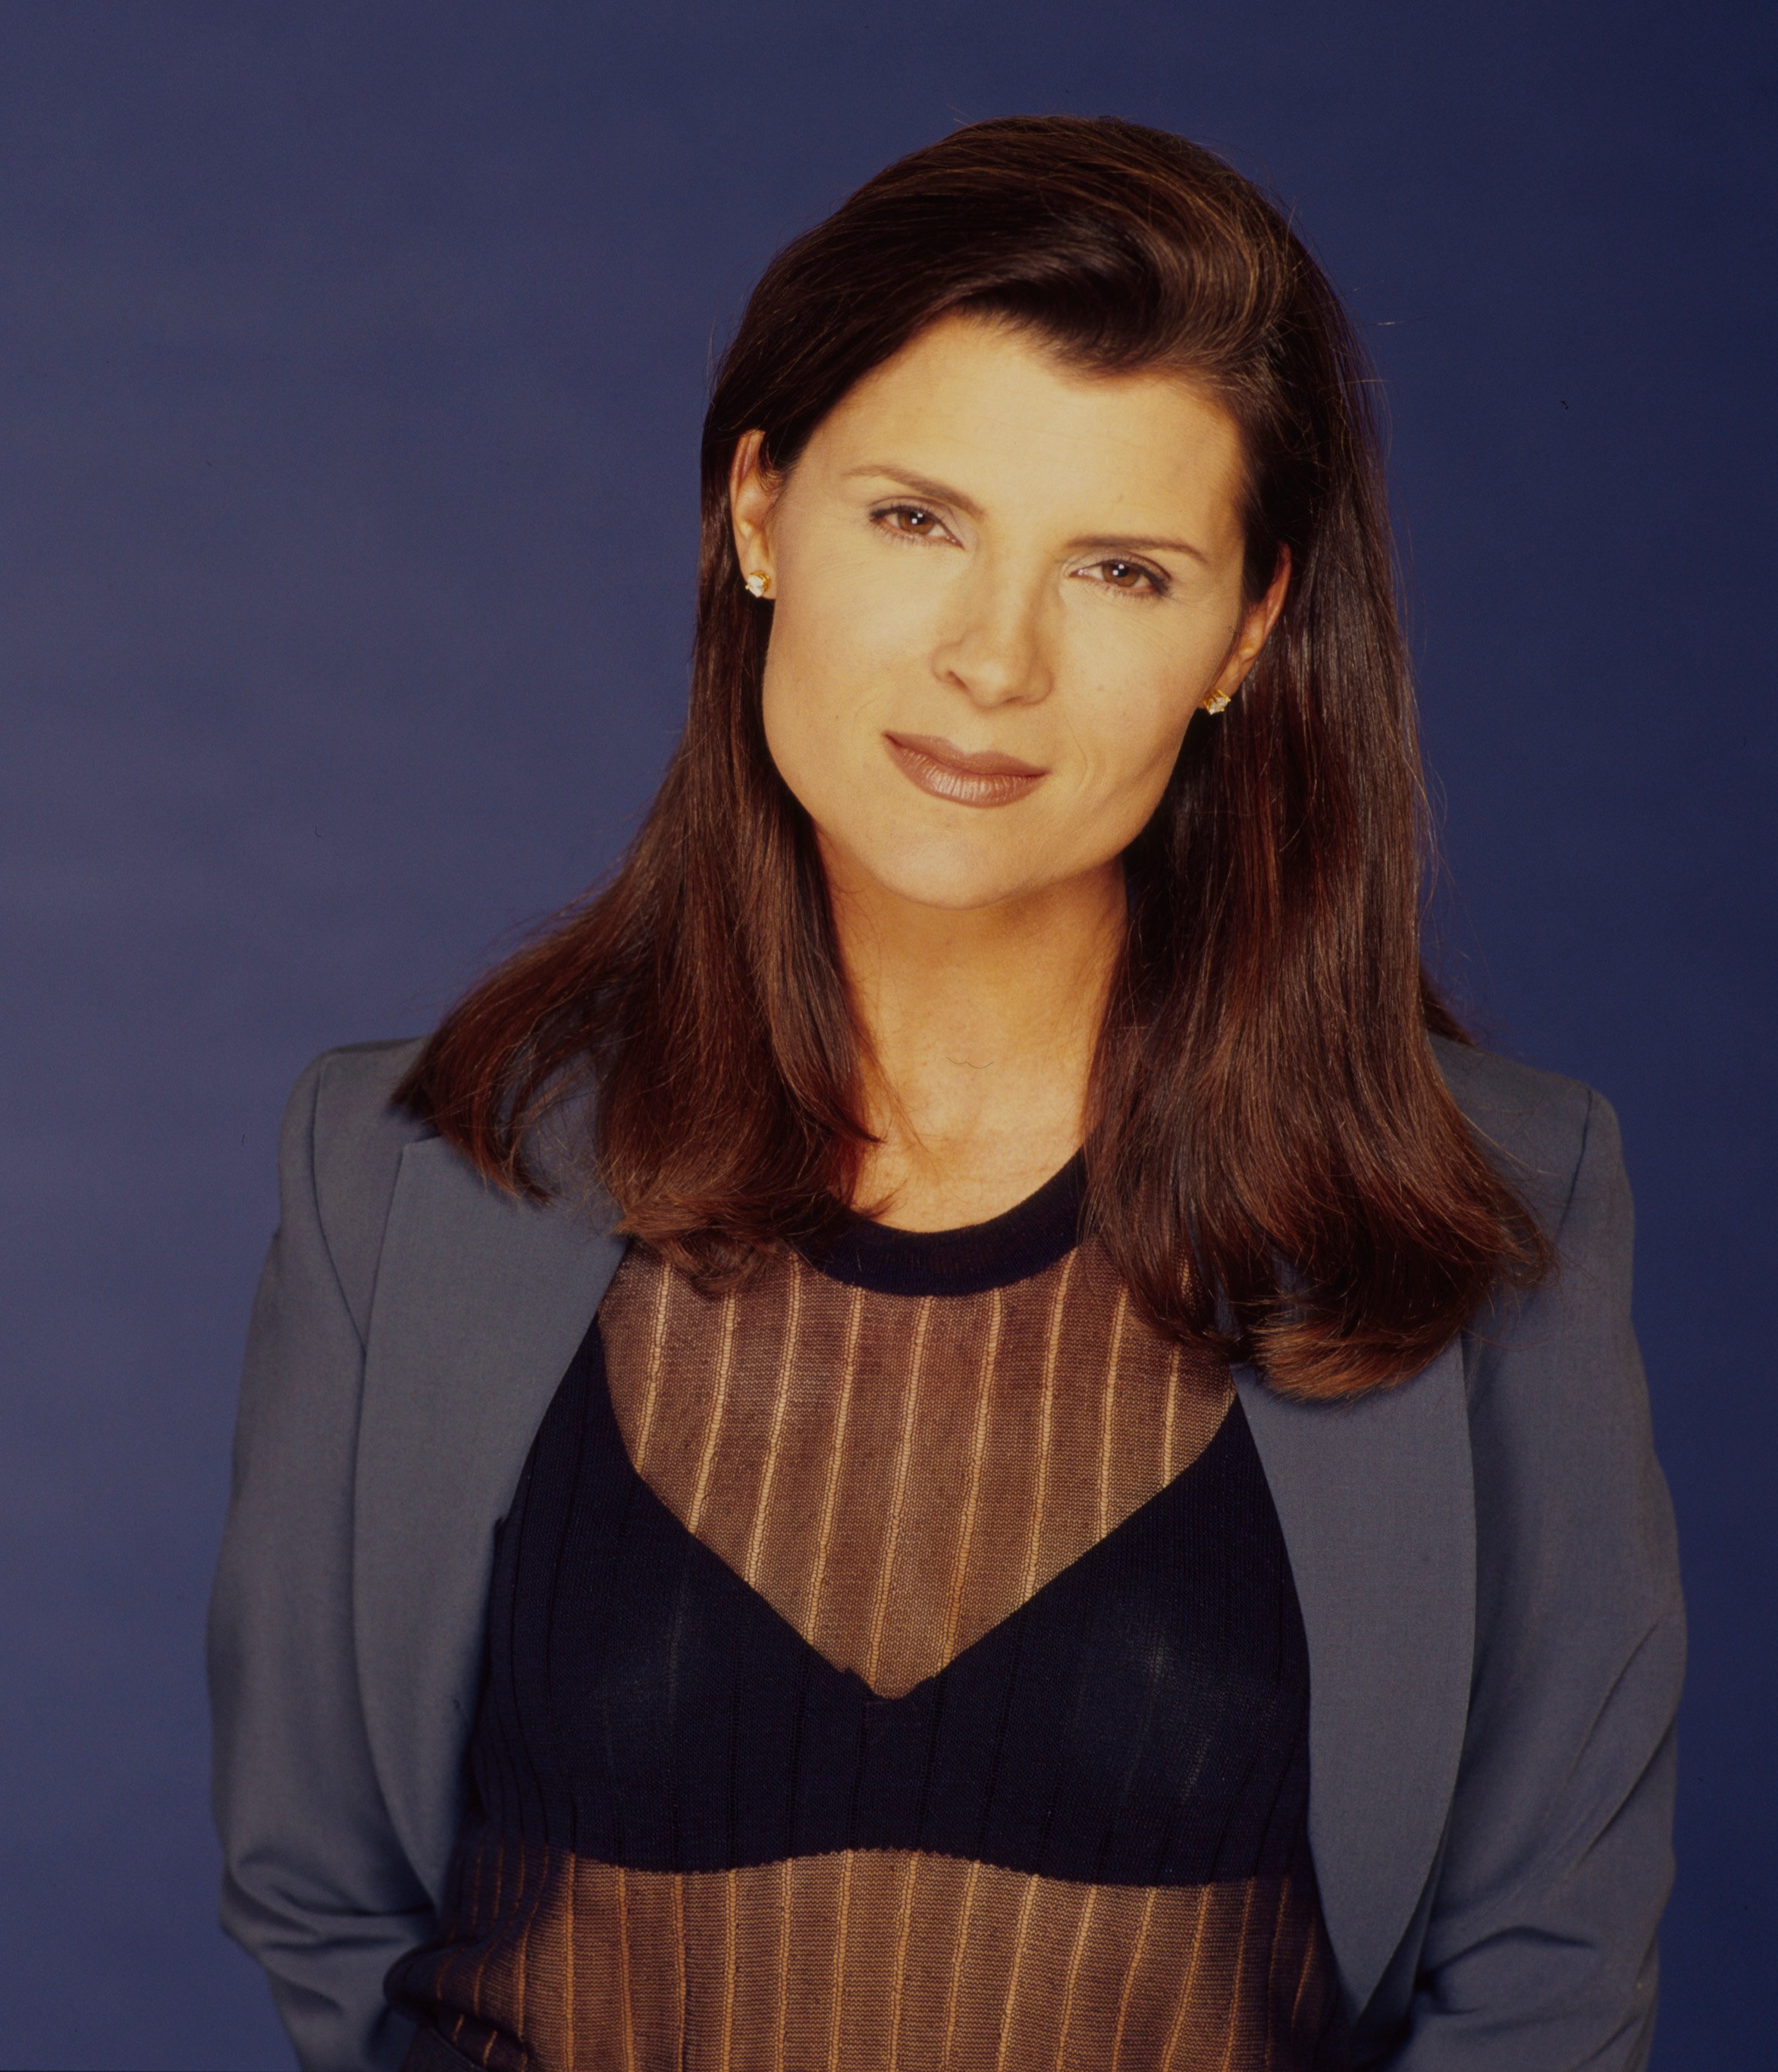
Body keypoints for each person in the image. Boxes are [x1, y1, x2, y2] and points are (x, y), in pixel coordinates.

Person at [206, 116, 1682, 2071]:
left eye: (1125, 570)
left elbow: (1547, 1982)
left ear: (1246, 633)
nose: (995, 659)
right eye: (918, 520)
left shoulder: (1498, 1205)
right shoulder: (412, 1176)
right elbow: (328, 1897)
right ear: (756, 511)